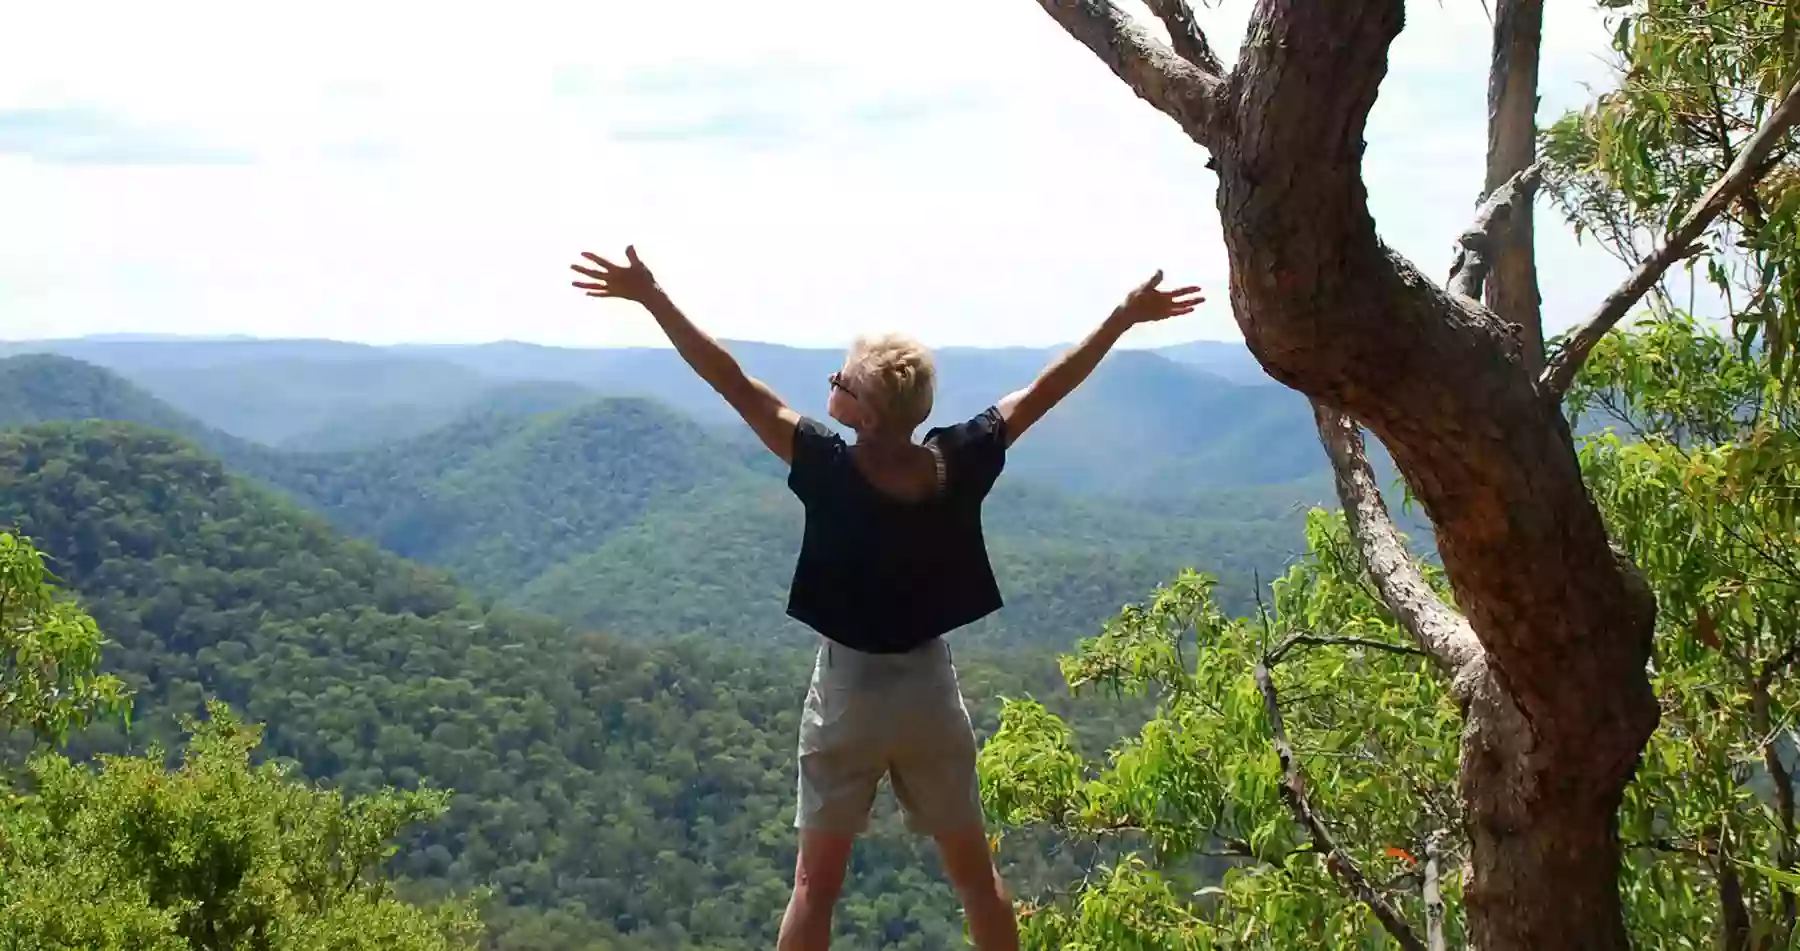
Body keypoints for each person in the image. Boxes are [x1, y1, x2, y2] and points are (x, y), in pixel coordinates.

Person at [570, 245, 1203, 951]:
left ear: (865, 414)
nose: (831, 383)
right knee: (974, 876)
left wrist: (652, 296)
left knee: (815, 886)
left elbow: (729, 380)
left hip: (848, 690)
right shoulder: (957, 461)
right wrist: (1120, 318)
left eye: (842, 379)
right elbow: (1046, 389)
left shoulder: (826, 464)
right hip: (930, 688)